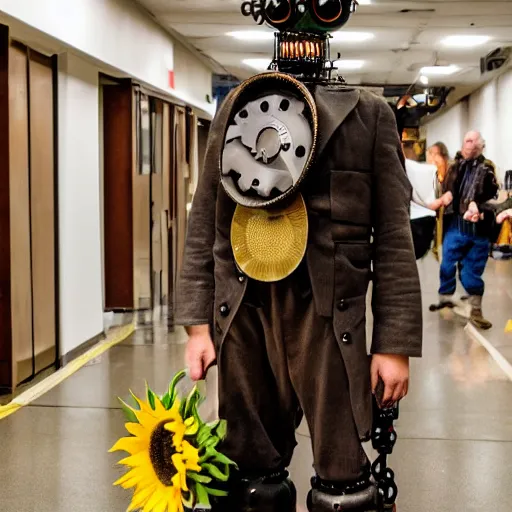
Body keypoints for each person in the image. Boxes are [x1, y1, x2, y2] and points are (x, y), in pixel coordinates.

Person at [176, 2, 422, 511]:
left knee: (344, 486)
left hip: (331, 317)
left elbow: (395, 239)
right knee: (247, 479)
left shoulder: (370, 115)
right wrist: (197, 325)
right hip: (244, 310)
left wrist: (393, 343)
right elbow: (206, 223)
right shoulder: (237, 108)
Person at [433, 131, 499, 329]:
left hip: (478, 230)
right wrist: (445, 197)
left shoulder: (487, 170)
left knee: (472, 272)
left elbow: (491, 194)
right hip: (456, 226)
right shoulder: (456, 167)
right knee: (447, 265)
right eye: (465, 141)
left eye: (471, 141)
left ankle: (476, 309)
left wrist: (476, 204)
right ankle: (445, 297)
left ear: (480, 146)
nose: (466, 144)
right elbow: (449, 190)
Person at [402, 140, 451, 259]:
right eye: (430, 154)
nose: (432, 158)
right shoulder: (427, 172)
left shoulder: (448, 174)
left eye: (435, 154)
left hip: (445, 224)